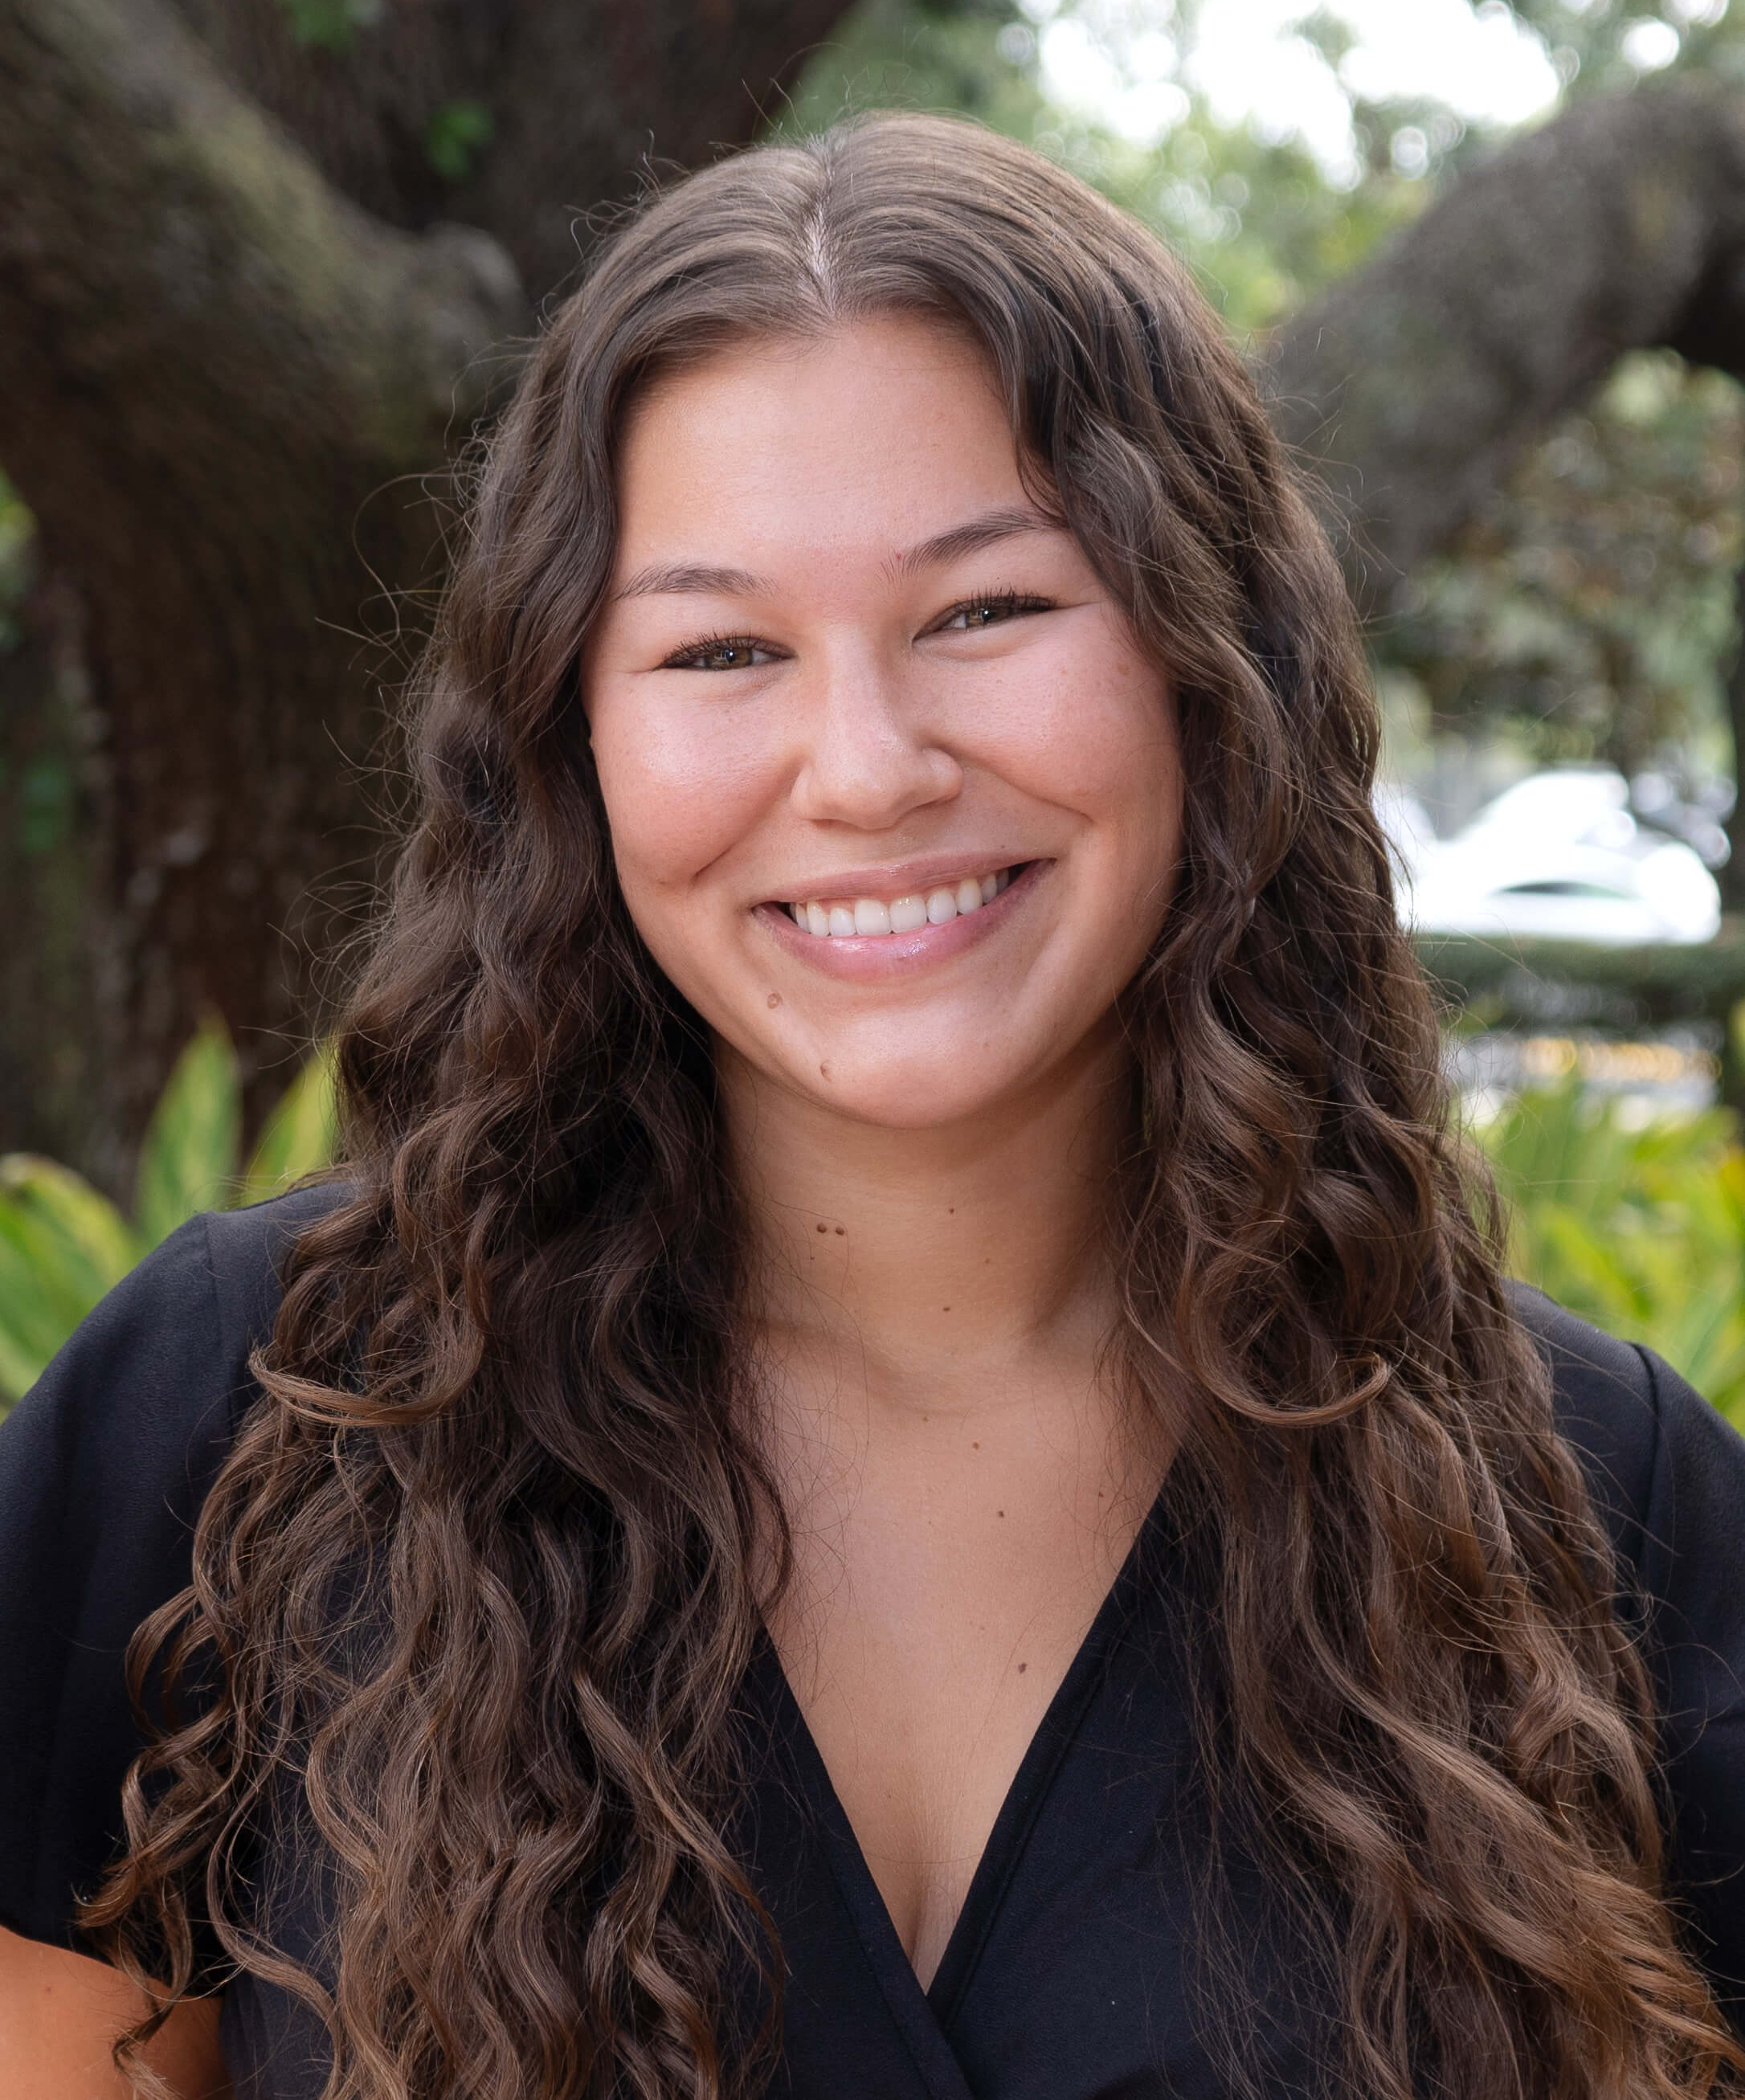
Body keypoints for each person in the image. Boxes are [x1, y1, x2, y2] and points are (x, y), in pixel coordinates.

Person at [2, 111, 1742, 2100]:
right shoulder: (249, 1418)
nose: (865, 767)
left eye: (987, 611)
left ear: (1209, 660)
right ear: (575, 732)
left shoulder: (1604, 1502)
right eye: (722, 646)